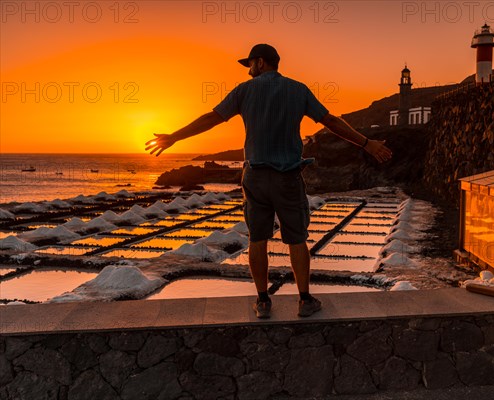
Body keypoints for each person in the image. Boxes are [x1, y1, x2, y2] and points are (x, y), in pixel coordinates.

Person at [146, 44, 392, 319]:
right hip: (288, 177)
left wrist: (175, 137)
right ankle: (305, 300)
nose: (249, 69)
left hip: (255, 178)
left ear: (261, 62)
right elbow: (331, 121)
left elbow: (211, 119)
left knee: (258, 239)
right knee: (297, 239)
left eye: (250, 63)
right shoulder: (298, 90)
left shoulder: (244, 90)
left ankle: (263, 302)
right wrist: (366, 143)